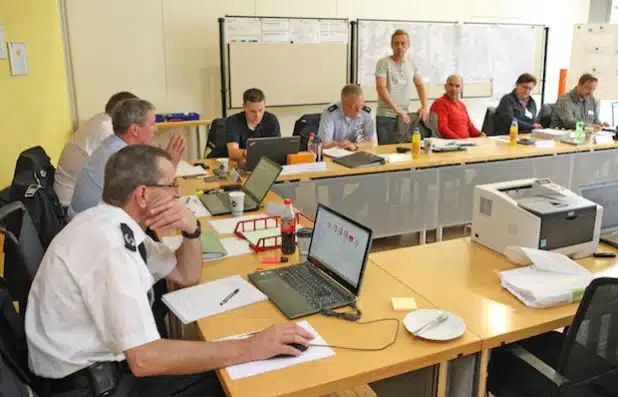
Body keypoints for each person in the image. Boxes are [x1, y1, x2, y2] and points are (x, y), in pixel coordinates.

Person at [25, 144, 314, 397]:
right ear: (142, 194)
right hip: (91, 385)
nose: (177, 193)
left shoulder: (111, 223)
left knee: (226, 358)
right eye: (171, 186)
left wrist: (192, 230)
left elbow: (186, 274)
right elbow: (145, 359)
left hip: (101, 368)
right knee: (239, 378)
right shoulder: (109, 247)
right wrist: (251, 346)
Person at [69, 98, 185, 217]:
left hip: (89, 220)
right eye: (152, 124)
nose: (156, 129)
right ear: (134, 129)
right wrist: (170, 165)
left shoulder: (113, 144)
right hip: (92, 227)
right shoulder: (120, 157)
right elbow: (151, 201)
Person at [54, 91, 138, 206]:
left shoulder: (100, 121)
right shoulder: (105, 128)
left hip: (72, 199)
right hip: (70, 206)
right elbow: (124, 171)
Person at [375, 29, 429, 145]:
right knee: (387, 153)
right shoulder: (383, 63)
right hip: (386, 117)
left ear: (408, 45)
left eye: (403, 43)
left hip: (404, 117)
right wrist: (396, 109)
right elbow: (381, 88)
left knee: (404, 152)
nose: (400, 46)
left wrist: (424, 106)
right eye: (396, 43)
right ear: (392, 45)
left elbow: (420, 85)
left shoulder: (412, 64)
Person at [226, 88, 281, 162]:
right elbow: (233, 152)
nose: (257, 115)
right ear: (244, 107)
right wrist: (249, 153)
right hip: (240, 164)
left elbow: (277, 148)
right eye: (253, 111)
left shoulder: (271, 120)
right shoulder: (234, 121)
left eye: (261, 110)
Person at [317, 84, 377, 150]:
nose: (358, 110)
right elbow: (324, 143)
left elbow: (372, 143)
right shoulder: (330, 113)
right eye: (354, 106)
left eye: (361, 105)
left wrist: (355, 145)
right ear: (343, 103)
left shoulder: (367, 113)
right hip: (335, 153)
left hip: (358, 153)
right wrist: (341, 145)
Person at [430, 75, 484, 139]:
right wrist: (460, 140)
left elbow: (470, 126)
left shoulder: (462, 105)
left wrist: (480, 134)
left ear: (461, 89)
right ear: (445, 86)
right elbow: (442, 129)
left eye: (457, 86)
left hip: (464, 143)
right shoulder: (440, 103)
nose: (453, 89)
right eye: (450, 85)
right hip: (450, 144)